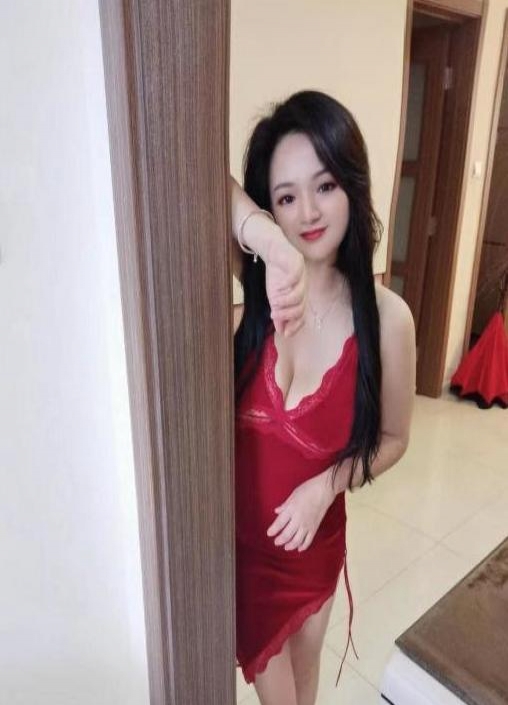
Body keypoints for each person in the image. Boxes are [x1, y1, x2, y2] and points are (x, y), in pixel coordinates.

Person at [230, 90, 416, 705]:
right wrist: (270, 245)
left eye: (325, 186)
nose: (308, 212)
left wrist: (325, 487)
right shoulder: (259, 287)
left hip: (312, 546)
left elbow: (394, 439)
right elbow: (199, 174)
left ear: (352, 186)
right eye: (286, 197)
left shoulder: (388, 319)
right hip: (234, 551)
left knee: (303, 688)